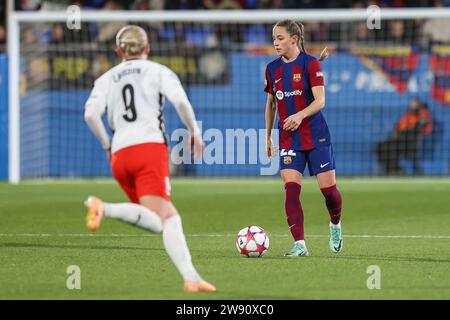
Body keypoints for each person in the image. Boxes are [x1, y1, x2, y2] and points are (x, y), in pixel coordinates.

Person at [83, 25, 216, 293]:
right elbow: (180, 101)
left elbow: (90, 115)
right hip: (149, 150)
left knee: (155, 221)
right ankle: (191, 279)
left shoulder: (106, 78)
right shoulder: (159, 71)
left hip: (120, 156)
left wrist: (107, 145)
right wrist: (195, 132)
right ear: (147, 47)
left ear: (118, 50)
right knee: (170, 218)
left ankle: (103, 208)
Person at [264, 19, 343, 257]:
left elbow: (320, 101)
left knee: (328, 192)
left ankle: (335, 224)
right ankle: (300, 244)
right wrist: (268, 136)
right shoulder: (272, 69)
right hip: (288, 139)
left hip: (316, 136)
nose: (276, 43)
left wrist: (299, 115)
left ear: (294, 39)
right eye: (274, 39)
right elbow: (271, 104)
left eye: (280, 38)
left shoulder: (311, 64)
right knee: (291, 189)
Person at [376, 98, 433, 176]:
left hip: (411, 142)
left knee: (392, 147)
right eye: (411, 103)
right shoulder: (407, 115)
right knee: (381, 145)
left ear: (419, 104)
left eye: (414, 103)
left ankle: (397, 170)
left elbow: (424, 127)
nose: (412, 105)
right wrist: (396, 132)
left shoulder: (423, 113)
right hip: (400, 139)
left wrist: (413, 128)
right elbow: (398, 127)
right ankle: (394, 169)